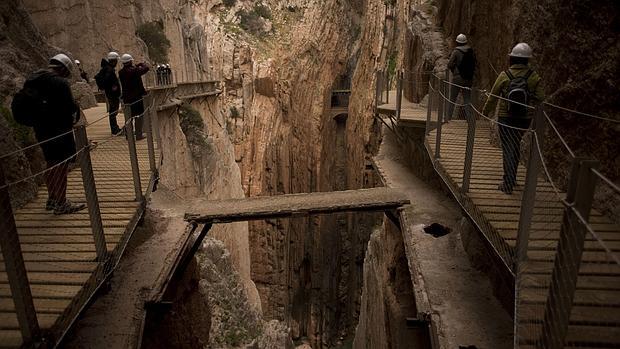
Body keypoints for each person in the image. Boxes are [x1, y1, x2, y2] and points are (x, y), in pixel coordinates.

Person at [25, 54, 86, 214]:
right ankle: (61, 202)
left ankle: (52, 199)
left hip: (41, 130)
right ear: (63, 68)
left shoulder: (35, 80)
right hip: (59, 131)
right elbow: (69, 107)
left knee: (51, 163)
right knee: (61, 166)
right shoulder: (60, 83)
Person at [482, 43, 545, 194]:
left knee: (508, 148)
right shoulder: (533, 76)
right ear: (527, 60)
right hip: (524, 118)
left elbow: (493, 96)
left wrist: (485, 112)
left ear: (512, 58)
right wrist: (529, 95)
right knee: (515, 145)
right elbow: (541, 98)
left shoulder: (505, 75)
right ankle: (512, 177)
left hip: (506, 116)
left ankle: (508, 183)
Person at [446, 34, 476, 122]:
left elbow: (450, 64)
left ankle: (448, 117)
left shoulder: (456, 51)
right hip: (468, 79)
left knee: (452, 98)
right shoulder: (471, 51)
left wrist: (454, 70)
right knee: (467, 98)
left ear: (457, 42)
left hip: (457, 78)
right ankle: (469, 118)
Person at [118, 53, 149, 140]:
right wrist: (141, 64)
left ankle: (129, 135)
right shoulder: (134, 71)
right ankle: (139, 135)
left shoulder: (121, 72)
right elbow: (146, 68)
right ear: (130, 61)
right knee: (139, 116)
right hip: (137, 98)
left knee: (129, 117)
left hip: (127, 98)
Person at [95, 52, 122, 135]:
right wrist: (113, 87)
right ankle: (114, 129)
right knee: (113, 111)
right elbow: (108, 81)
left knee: (113, 111)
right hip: (112, 94)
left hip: (110, 93)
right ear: (114, 61)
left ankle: (115, 128)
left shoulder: (107, 68)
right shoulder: (109, 70)